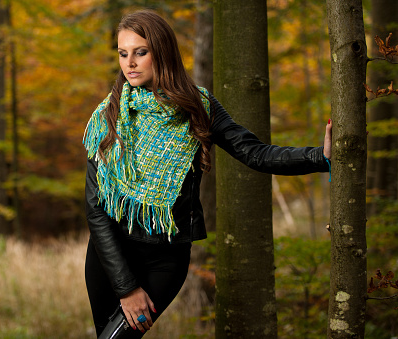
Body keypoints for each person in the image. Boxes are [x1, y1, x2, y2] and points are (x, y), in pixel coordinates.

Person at [83, 9, 332, 338]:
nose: (130, 62)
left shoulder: (198, 107)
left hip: (165, 259)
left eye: (140, 52)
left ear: (162, 51)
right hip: (109, 256)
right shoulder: (108, 115)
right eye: (123, 53)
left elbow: (255, 152)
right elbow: (95, 206)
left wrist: (321, 155)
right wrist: (126, 287)